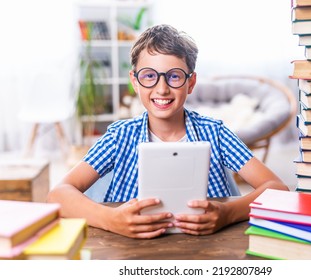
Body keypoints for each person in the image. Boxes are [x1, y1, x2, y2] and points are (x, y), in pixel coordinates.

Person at [47, 24, 289, 239]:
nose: (161, 89)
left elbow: (277, 188)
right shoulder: (118, 137)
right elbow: (58, 194)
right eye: (149, 76)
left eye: (174, 76)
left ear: (190, 83)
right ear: (135, 81)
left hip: (207, 248)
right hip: (130, 251)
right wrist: (111, 219)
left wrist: (228, 213)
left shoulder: (216, 133)